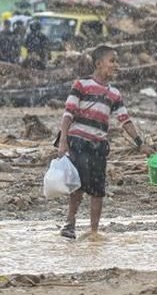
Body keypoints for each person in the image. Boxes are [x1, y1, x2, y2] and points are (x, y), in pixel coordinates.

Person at [55, 46, 149, 239]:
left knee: (98, 190)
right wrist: (63, 141)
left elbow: (125, 120)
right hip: (79, 142)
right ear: (98, 64)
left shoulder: (114, 93)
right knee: (78, 185)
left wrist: (140, 143)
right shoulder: (81, 85)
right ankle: (70, 222)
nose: (116, 65)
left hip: (98, 146)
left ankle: (94, 232)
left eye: (117, 61)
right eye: (112, 61)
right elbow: (68, 113)